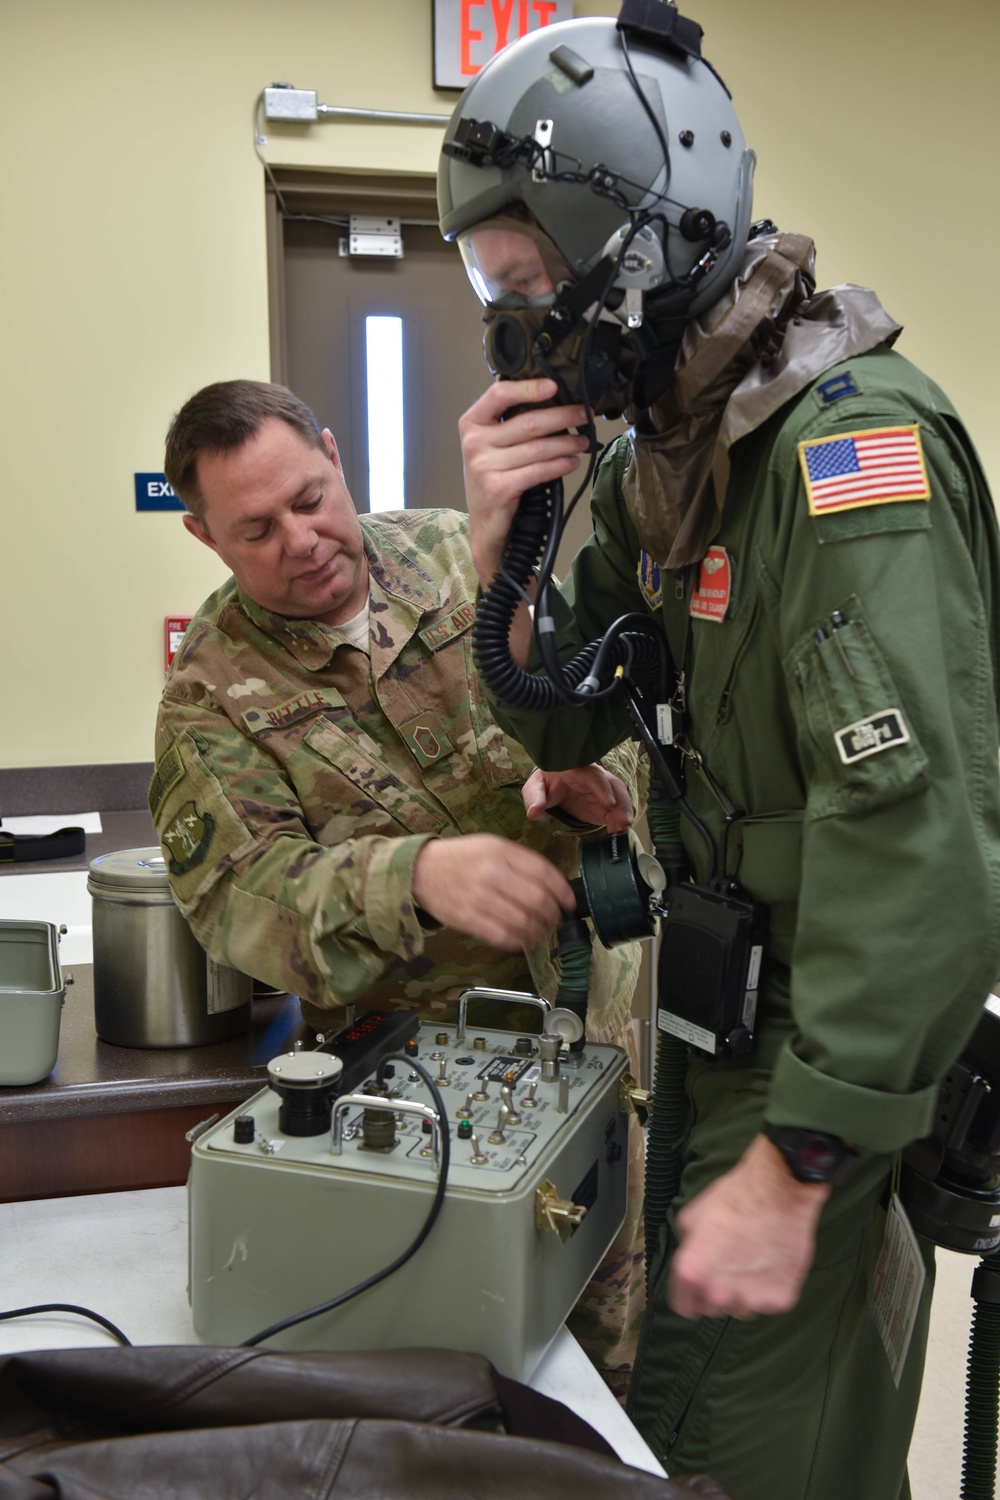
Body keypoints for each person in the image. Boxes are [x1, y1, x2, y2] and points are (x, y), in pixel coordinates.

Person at [437, 8, 1000, 1499]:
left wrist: (800, 1161)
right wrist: (504, 555)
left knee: (746, 1454)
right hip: (716, 1033)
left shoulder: (842, 457)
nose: (519, 333)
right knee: (712, 1426)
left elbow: (923, 853)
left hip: (820, 1068)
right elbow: (561, 711)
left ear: (640, 236)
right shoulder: (665, 466)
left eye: (532, 289)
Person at [148, 377, 648, 1390]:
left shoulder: (456, 558)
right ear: (205, 539)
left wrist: (590, 775)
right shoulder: (209, 696)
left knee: (623, 1325)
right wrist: (411, 875)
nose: (300, 540)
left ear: (335, 455)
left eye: (309, 498)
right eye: (256, 529)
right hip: (423, 1089)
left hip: (605, 1026)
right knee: (482, 1358)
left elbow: (594, 706)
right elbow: (239, 901)